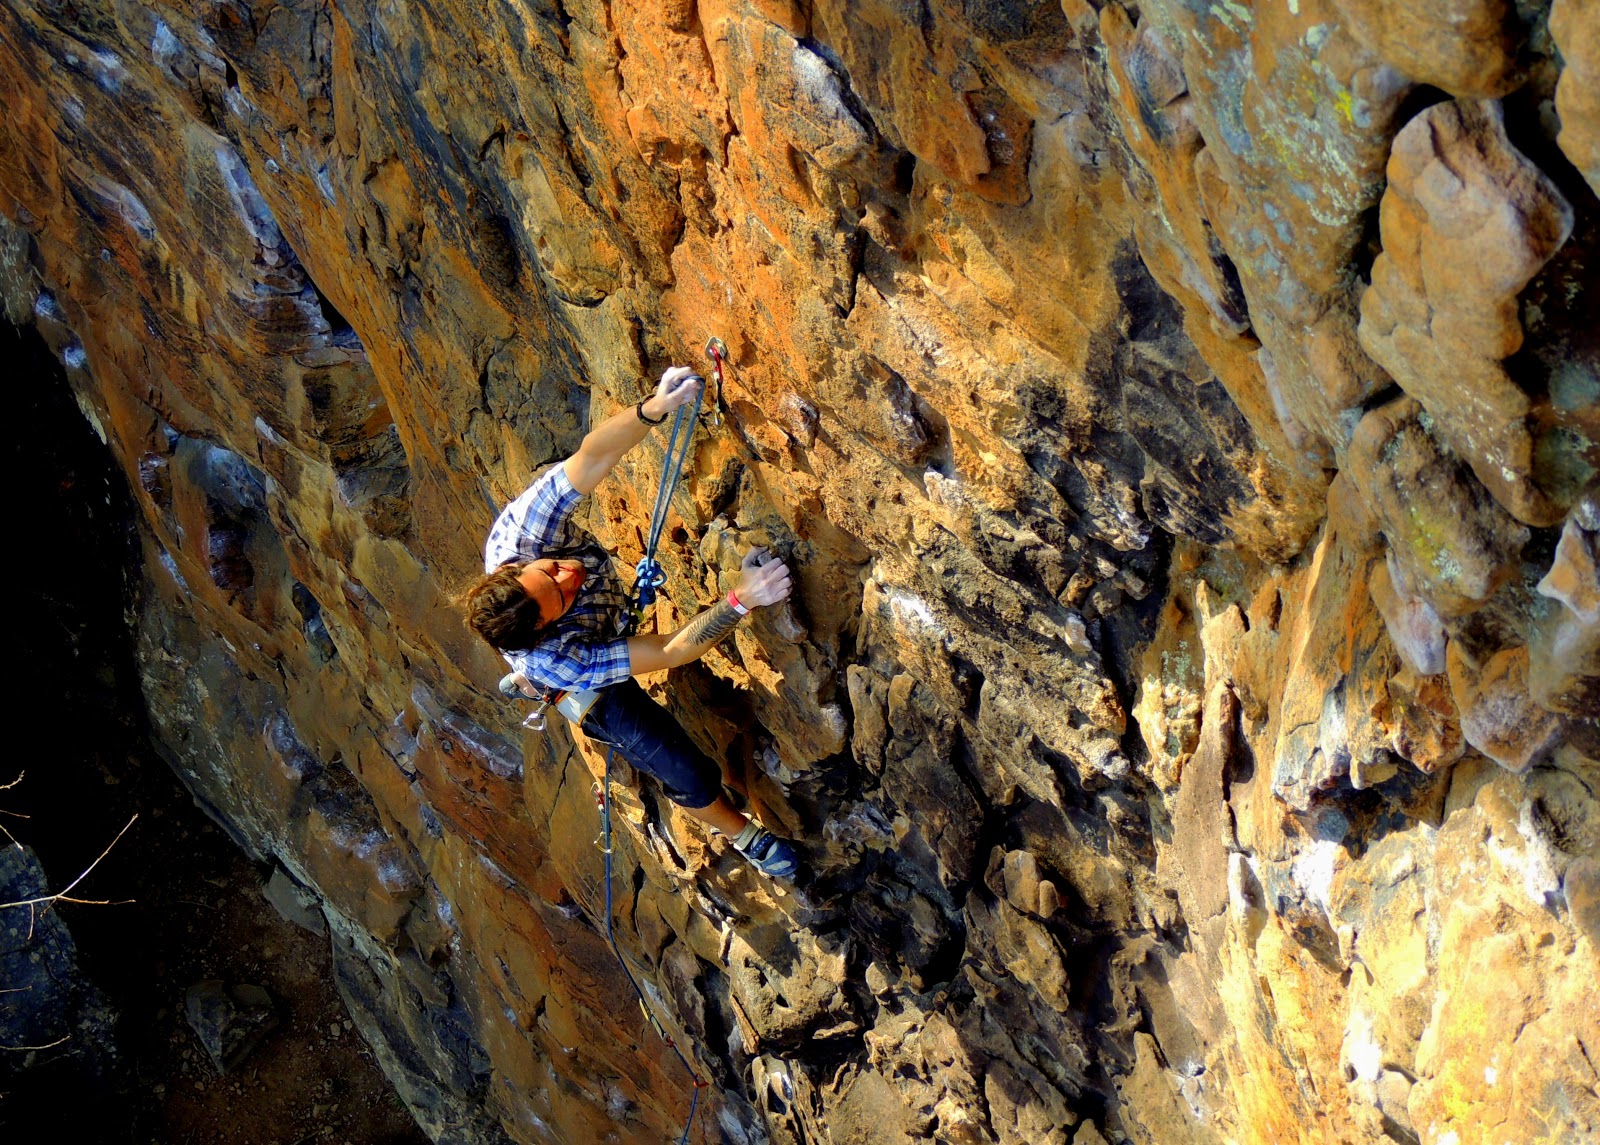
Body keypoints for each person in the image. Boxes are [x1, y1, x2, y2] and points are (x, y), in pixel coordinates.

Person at [464, 365, 801, 879]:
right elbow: (667, 651)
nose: (568, 573)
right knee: (682, 768)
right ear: (542, 629)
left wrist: (654, 408)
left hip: (592, 633)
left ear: (518, 566)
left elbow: (594, 454)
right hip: (587, 684)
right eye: (561, 594)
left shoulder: (520, 538)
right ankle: (745, 838)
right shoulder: (556, 658)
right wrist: (742, 599)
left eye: (550, 571)